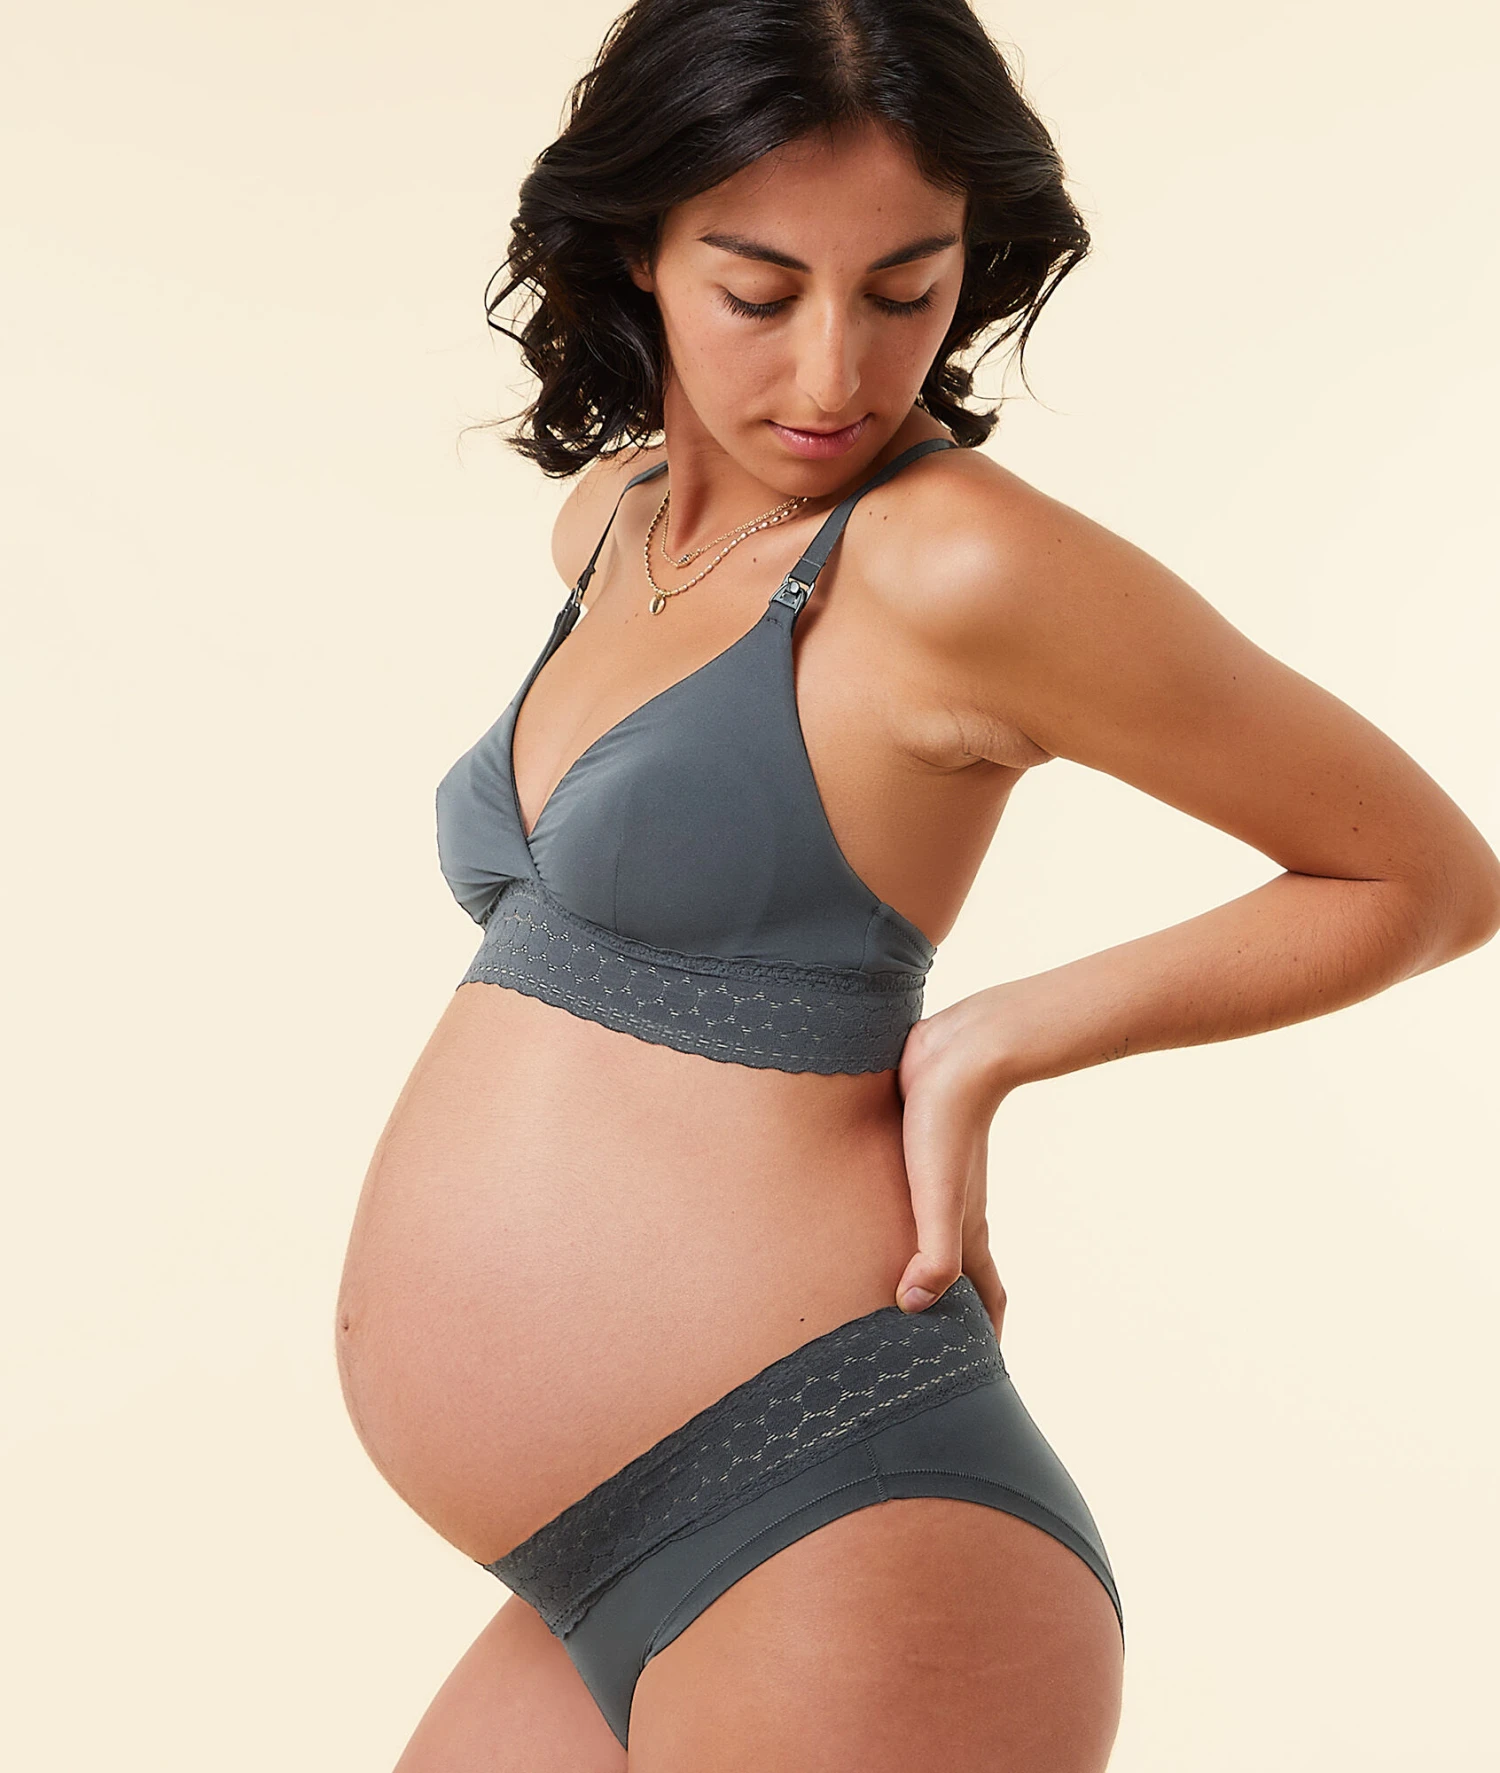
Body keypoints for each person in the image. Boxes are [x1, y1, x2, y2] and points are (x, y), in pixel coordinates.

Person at [334, 3, 1500, 1768]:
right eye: (758, 291)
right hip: (597, 1563)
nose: (834, 376)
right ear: (638, 248)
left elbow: (1425, 876)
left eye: (905, 291)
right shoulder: (615, 524)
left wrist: (987, 1042)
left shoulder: (957, 559)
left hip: (836, 1518)